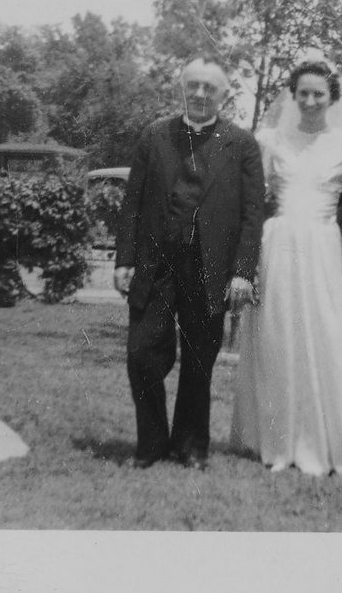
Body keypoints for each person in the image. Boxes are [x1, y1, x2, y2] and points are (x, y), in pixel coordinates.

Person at [112, 56, 264, 470]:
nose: (199, 94)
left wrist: (242, 272)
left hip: (209, 267)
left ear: (223, 94)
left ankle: (192, 446)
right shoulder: (155, 136)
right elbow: (132, 203)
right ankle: (151, 443)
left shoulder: (241, 144)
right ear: (182, 87)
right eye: (193, 85)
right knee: (142, 354)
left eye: (209, 88)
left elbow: (253, 214)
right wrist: (124, 259)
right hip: (156, 263)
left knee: (199, 361)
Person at [229, 56, 342, 478]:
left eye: (318, 94)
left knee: (324, 338)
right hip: (280, 247)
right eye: (302, 93)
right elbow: (251, 201)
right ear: (292, 95)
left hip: (323, 249)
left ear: (332, 97)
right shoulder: (269, 140)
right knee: (279, 339)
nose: (309, 101)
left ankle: (322, 439)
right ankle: (276, 438)